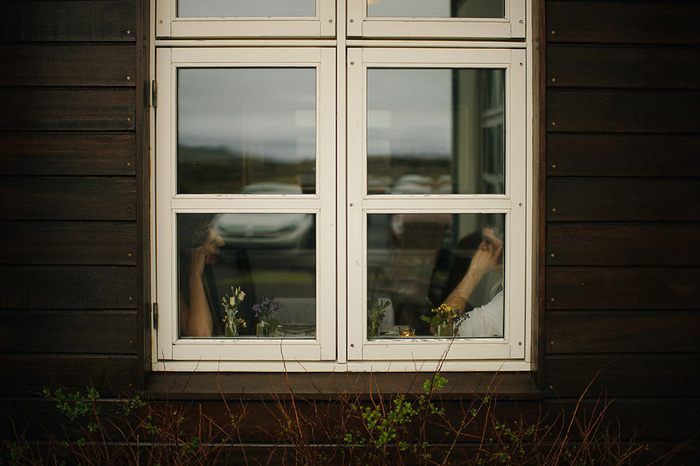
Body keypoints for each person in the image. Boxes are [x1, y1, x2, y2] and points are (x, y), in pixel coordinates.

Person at [443, 226, 504, 337]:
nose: (480, 247)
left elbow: (443, 328)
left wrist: (474, 273)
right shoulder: (500, 285)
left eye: (488, 242)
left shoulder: (506, 301)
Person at [178, 214, 225, 337]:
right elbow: (201, 334)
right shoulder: (174, 283)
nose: (222, 243)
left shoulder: (211, 272)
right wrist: (195, 276)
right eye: (213, 242)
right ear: (194, 249)